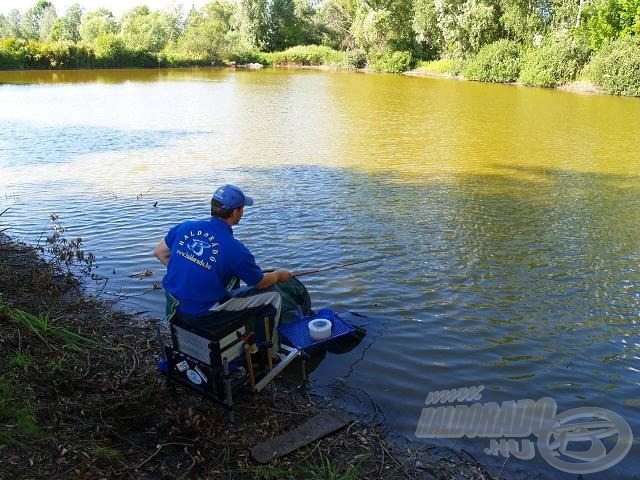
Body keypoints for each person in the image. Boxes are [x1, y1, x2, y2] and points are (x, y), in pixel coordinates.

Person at [153, 184, 292, 344]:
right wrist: (279, 275)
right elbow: (260, 283)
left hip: (174, 306)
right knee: (273, 297)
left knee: (231, 280)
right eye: (242, 208)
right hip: (203, 314)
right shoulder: (235, 249)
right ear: (235, 212)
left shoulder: (185, 226)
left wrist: (190, 271)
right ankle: (265, 353)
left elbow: (159, 252)